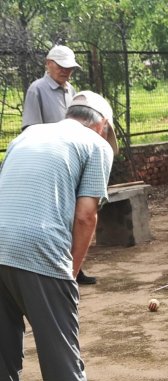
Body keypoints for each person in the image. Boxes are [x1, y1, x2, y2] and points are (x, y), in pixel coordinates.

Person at [0, 91, 129, 381]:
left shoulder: (27, 135)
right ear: (102, 124)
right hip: (38, 250)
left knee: (1, 352)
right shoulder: (95, 145)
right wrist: (69, 270)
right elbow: (86, 216)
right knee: (59, 348)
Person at [22, 45, 96, 285]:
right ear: (48, 63)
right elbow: (30, 128)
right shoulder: (37, 89)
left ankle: (77, 266)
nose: (66, 71)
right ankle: (54, 267)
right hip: (48, 160)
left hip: (71, 159)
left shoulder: (71, 90)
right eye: (61, 66)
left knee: (75, 214)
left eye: (70, 67)